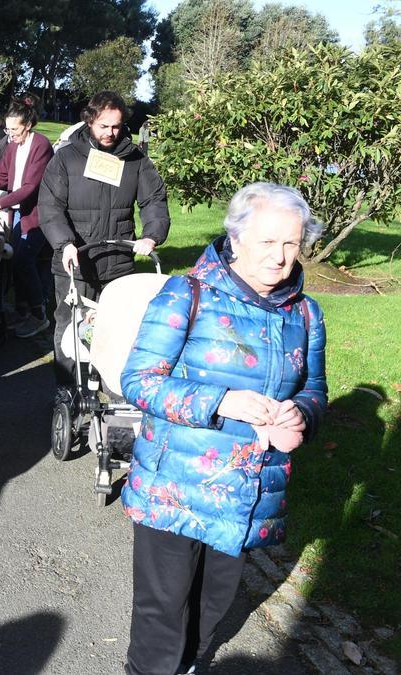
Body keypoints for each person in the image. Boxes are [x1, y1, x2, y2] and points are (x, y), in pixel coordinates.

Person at [120, 182, 327, 675]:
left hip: (248, 491)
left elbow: (315, 390)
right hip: (173, 486)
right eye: (268, 243)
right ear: (236, 239)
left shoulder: (305, 312)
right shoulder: (186, 293)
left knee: (214, 604)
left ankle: (189, 665)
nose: (281, 258)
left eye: (292, 244)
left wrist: (303, 414)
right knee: (162, 612)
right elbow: (139, 381)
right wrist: (222, 402)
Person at [38, 91, 170, 385]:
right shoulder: (66, 158)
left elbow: (155, 200)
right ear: (89, 121)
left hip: (118, 261)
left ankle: (108, 390)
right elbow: (49, 207)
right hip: (75, 261)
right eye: (103, 126)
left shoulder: (136, 160)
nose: (110, 133)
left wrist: (152, 236)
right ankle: (68, 389)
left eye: (116, 126)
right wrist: (64, 243)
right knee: (71, 326)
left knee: (116, 329)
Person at [0, 99, 54, 338]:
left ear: (27, 125)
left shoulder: (41, 145)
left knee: (23, 260)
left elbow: (30, 186)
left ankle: (39, 315)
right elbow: (3, 176)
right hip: (17, 213)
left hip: (36, 214)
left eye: (14, 129)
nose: (10, 134)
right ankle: (22, 310)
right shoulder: (13, 145)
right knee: (14, 259)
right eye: (7, 129)